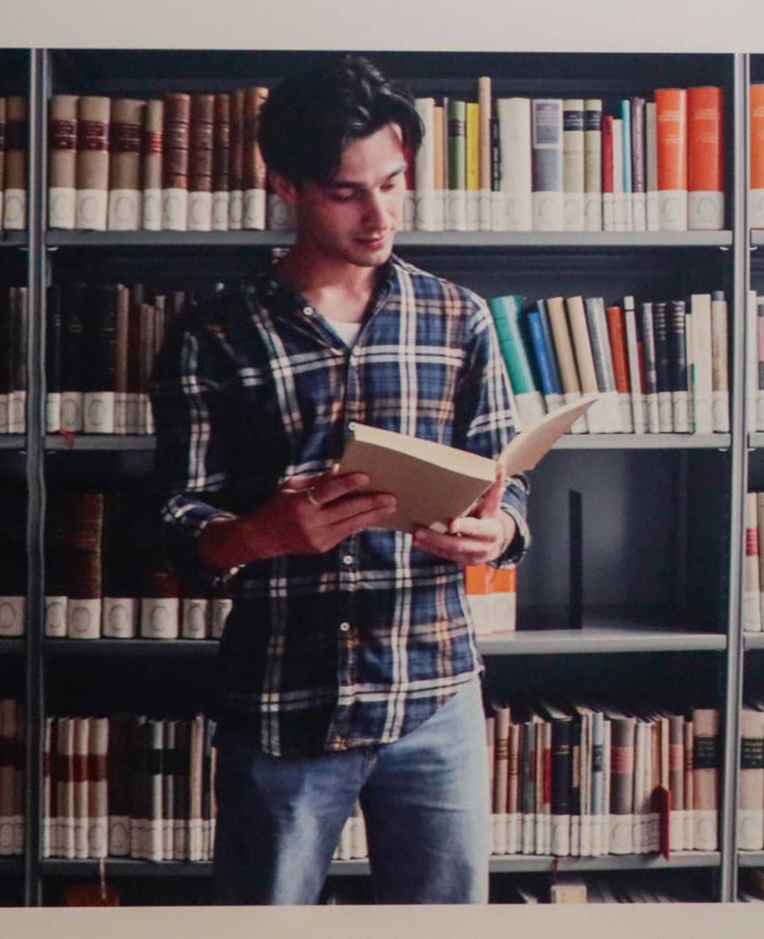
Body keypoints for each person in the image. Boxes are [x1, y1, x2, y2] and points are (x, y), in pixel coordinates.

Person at [156, 56, 530, 904]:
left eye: (394, 183)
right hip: (283, 700)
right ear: (284, 184)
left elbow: (507, 481)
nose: (379, 214)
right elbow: (178, 519)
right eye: (345, 191)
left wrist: (496, 529)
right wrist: (261, 532)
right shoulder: (213, 332)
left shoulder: (457, 316)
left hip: (435, 694)